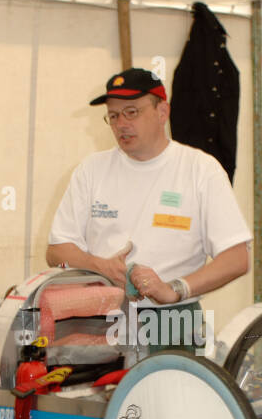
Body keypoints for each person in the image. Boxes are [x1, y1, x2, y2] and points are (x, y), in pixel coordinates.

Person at [46, 68, 251, 352]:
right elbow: (57, 251)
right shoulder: (92, 170)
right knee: (96, 395)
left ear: (162, 111)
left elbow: (237, 258)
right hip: (100, 316)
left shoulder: (199, 170)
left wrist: (174, 289)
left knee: (167, 395)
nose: (121, 124)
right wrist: (100, 266)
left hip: (172, 323)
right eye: (114, 116)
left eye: (132, 112)